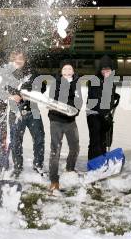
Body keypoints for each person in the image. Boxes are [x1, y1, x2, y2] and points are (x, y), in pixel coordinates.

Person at [6, 50, 46, 177]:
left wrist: (28, 92)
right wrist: (13, 95)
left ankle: (38, 164)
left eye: (20, 58)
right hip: (15, 112)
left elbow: (43, 87)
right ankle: (17, 166)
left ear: (25, 59)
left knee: (39, 139)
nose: (18, 61)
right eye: (15, 59)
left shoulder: (32, 72)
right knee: (15, 141)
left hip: (32, 110)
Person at [48, 60, 83, 192]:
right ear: (61, 71)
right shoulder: (55, 83)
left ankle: (70, 168)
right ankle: (53, 179)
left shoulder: (76, 84)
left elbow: (78, 101)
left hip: (70, 121)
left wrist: (75, 110)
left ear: (73, 71)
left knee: (75, 147)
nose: (67, 72)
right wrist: (63, 107)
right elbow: (53, 100)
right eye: (65, 69)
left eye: (70, 69)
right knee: (55, 150)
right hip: (56, 121)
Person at [86, 55, 120, 160]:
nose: (106, 71)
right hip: (94, 115)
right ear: (100, 70)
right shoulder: (94, 81)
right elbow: (95, 101)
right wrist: (105, 115)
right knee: (95, 140)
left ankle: (102, 161)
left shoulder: (111, 82)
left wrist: (114, 97)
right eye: (103, 69)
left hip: (104, 114)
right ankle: (94, 164)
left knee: (103, 139)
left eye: (108, 69)